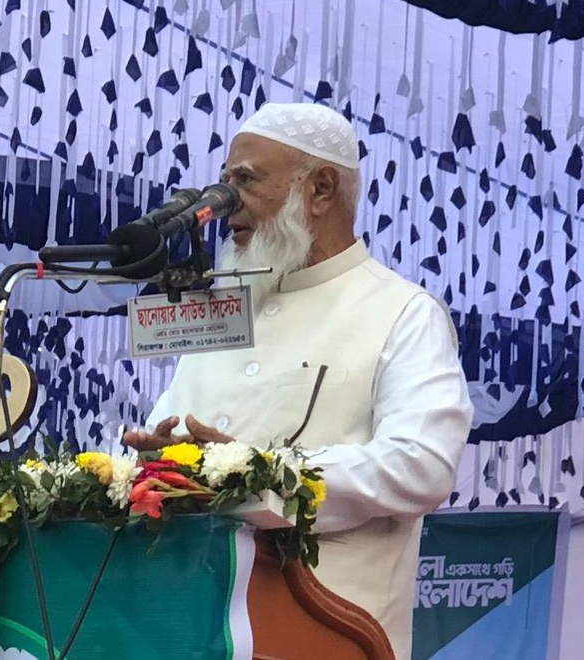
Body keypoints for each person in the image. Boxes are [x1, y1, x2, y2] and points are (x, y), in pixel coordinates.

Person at [122, 102, 473, 660]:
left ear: (321, 190)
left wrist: (260, 476)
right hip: (191, 629)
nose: (225, 202)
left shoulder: (402, 312)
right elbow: (172, 432)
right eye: (223, 181)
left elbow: (421, 465)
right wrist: (155, 459)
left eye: (244, 181)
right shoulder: (225, 312)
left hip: (329, 633)